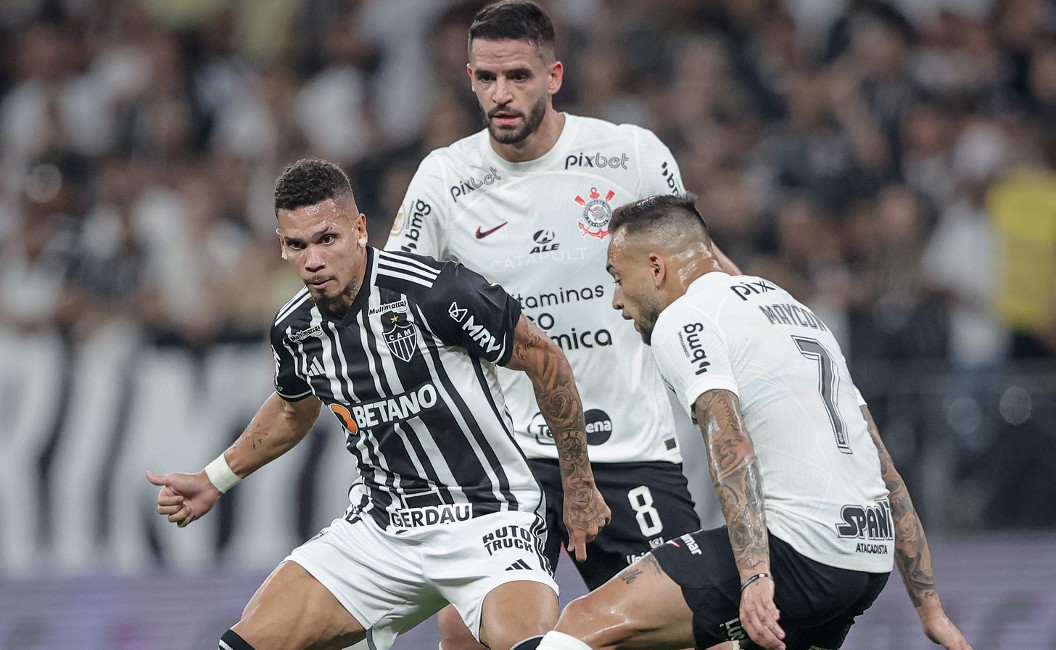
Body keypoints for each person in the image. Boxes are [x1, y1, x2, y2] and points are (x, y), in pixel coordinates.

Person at [145, 158, 610, 650]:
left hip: (489, 518)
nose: (313, 260)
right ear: (282, 246)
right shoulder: (295, 329)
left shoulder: (437, 292)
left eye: (327, 239)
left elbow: (545, 360)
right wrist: (215, 478)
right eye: (296, 245)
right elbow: (291, 409)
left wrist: (577, 483)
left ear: (359, 229)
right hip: (383, 529)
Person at [384, 3, 740, 646]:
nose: (502, 94)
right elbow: (392, 308)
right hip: (507, 460)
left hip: (627, 448)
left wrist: (770, 323)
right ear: (468, 77)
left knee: (675, 629)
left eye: (518, 76)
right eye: (487, 79)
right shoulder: (442, 179)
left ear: (554, 75)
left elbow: (701, 271)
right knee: (468, 635)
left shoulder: (628, 154)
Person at [534, 194, 973, 650]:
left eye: (619, 279)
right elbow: (884, 467)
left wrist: (756, 574)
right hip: (866, 563)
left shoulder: (684, 318)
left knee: (583, 623)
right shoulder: (795, 311)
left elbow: (731, 442)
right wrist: (930, 608)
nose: (616, 300)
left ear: (657, 268)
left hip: (798, 552)